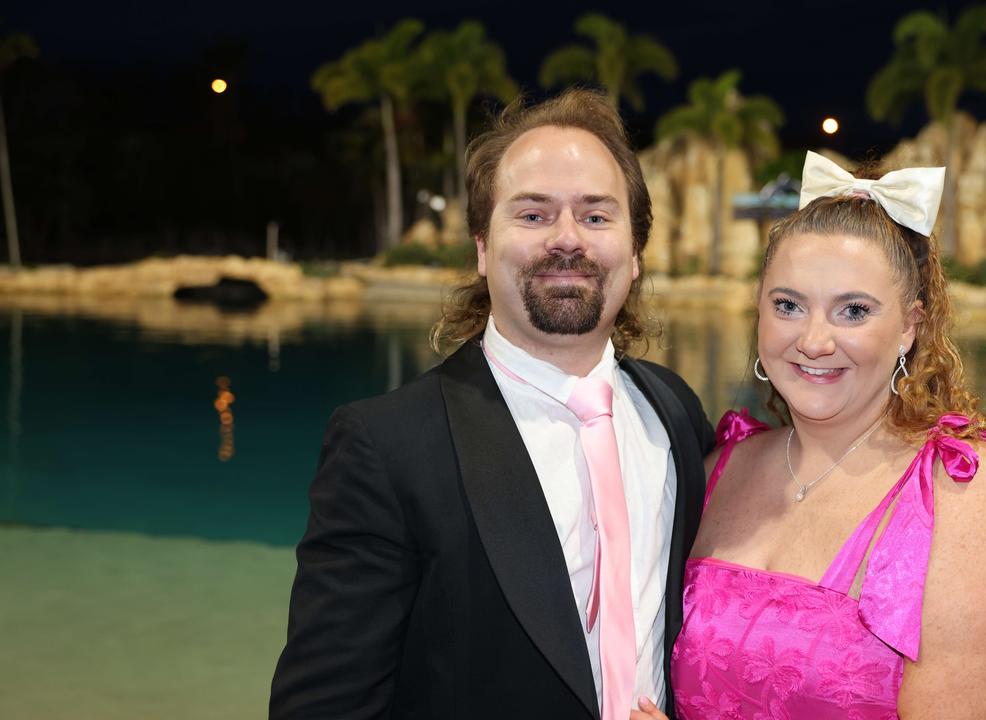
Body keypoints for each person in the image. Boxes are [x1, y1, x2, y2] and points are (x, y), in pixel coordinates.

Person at [269, 88, 715, 720]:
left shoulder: (674, 413)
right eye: (533, 215)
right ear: (482, 247)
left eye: (596, 215)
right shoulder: (387, 446)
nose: (568, 240)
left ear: (636, 252)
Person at [644, 152, 986, 720]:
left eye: (853, 311)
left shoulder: (960, 494)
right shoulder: (720, 468)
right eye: (788, 305)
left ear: (910, 325)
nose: (813, 340)